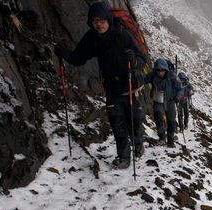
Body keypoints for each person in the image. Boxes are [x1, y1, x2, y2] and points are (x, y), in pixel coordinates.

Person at [54, 2, 146, 169]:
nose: (99, 23)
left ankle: (138, 144)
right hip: (111, 87)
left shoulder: (122, 35)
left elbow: (142, 58)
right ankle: (124, 157)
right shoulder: (92, 38)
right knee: (117, 122)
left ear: (108, 19)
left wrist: (134, 61)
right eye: (95, 20)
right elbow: (78, 58)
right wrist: (63, 53)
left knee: (134, 121)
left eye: (102, 19)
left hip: (131, 85)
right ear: (90, 22)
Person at [143, 59, 183, 147]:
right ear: (155, 69)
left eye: (162, 70)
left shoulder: (172, 75)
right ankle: (162, 138)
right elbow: (143, 80)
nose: (160, 72)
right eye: (158, 70)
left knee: (171, 121)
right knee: (158, 117)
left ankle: (170, 140)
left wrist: (178, 97)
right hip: (158, 100)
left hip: (170, 101)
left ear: (166, 69)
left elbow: (180, 88)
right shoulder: (152, 74)